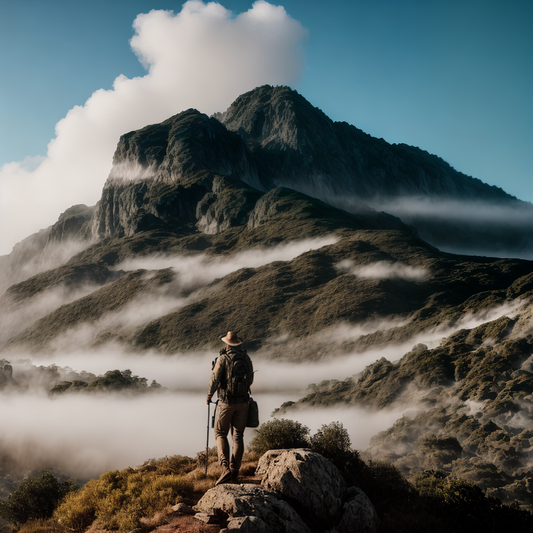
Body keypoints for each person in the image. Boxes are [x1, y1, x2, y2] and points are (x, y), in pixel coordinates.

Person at [207, 331, 253, 485]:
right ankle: (235, 471)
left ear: (226, 344)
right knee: (238, 436)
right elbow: (250, 379)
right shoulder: (246, 358)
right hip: (243, 402)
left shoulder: (223, 359)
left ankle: (224, 468)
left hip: (226, 402)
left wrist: (209, 396)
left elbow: (214, 380)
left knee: (220, 433)